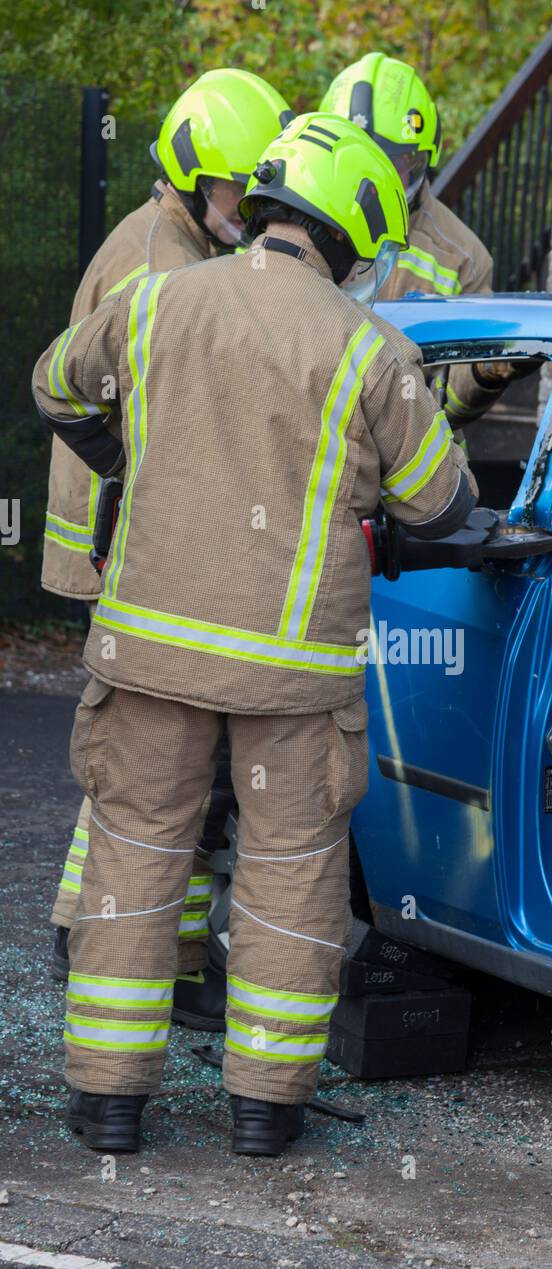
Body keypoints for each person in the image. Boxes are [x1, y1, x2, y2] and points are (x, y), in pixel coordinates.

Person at [33, 112, 477, 1157]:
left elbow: (55, 385)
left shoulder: (155, 303)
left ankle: (108, 1103)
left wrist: (128, 459)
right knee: (290, 872)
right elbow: (440, 506)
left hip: (149, 654)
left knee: (136, 853)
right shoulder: (373, 345)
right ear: (357, 225)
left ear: (270, 198)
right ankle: (266, 1113)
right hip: (293, 675)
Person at [47, 68, 292, 988]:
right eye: (237, 188)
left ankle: (120, 936)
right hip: (127, 541)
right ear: (196, 177)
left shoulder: (175, 245)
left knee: (142, 762)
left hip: (123, 531)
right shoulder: (165, 265)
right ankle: (106, 936)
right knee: (145, 765)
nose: (248, 205)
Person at [321, 51, 528, 427]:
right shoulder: (298, 224)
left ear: (419, 161)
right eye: (356, 158)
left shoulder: (462, 257)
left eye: (391, 160)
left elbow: (451, 406)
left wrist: (487, 369)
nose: (373, 178)